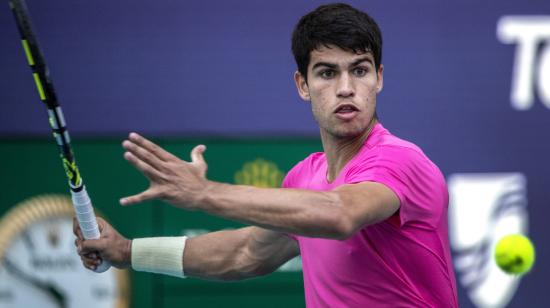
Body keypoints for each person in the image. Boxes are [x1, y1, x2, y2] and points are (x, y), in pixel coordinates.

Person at [74, 3, 458, 307]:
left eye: (359, 70)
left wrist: (204, 193)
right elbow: (243, 254)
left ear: (379, 78)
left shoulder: (401, 161)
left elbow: (340, 214)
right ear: (302, 85)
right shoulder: (304, 178)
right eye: (327, 73)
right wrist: (127, 251)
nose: (346, 88)